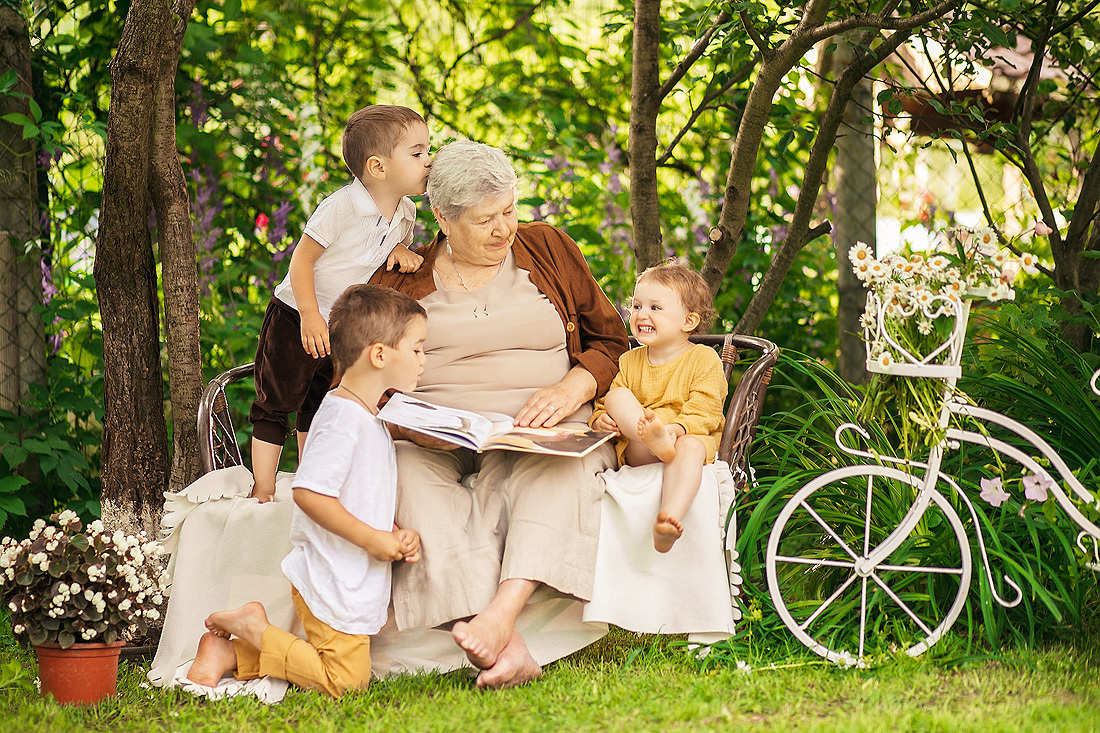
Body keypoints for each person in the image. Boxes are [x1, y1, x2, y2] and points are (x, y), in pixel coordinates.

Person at [371, 140, 629, 689]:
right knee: (406, 476)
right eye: (484, 219)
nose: (503, 229)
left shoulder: (547, 247)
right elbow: (359, 381)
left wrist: (574, 385)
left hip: (546, 431)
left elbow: (611, 340)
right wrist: (410, 423)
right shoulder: (398, 280)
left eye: (509, 211)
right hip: (433, 437)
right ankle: (507, 647)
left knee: (561, 472)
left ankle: (498, 617)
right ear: (442, 218)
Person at [185, 285, 426, 696]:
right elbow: (310, 494)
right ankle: (254, 628)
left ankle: (230, 654)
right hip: (332, 572)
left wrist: (392, 530)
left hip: (351, 572)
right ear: (379, 355)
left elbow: (361, 492)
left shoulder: (366, 415)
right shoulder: (342, 420)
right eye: (417, 349)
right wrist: (373, 539)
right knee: (345, 682)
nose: (424, 360)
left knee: (343, 669)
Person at [248, 105, 433, 502]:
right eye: (417, 153)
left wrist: (399, 249)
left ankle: (308, 479)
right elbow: (302, 260)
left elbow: (383, 246)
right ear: (378, 167)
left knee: (317, 400)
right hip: (296, 314)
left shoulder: (406, 212)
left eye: (427, 151)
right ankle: (262, 489)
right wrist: (309, 315)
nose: (428, 161)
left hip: (339, 324)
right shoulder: (342, 206)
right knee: (277, 400)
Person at [589, 262, 727, 553]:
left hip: (684, 438)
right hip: (641, 444)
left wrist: (675, 430)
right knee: (617, 396)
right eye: (636, 305)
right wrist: (601, 419)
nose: (641, 314)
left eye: (655, 307)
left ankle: (669, 519)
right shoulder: (629, 360)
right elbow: (605, 402)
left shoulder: (704, 359)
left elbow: (707, 409)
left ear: (688, 321)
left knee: (691, 446)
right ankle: (655, 438)